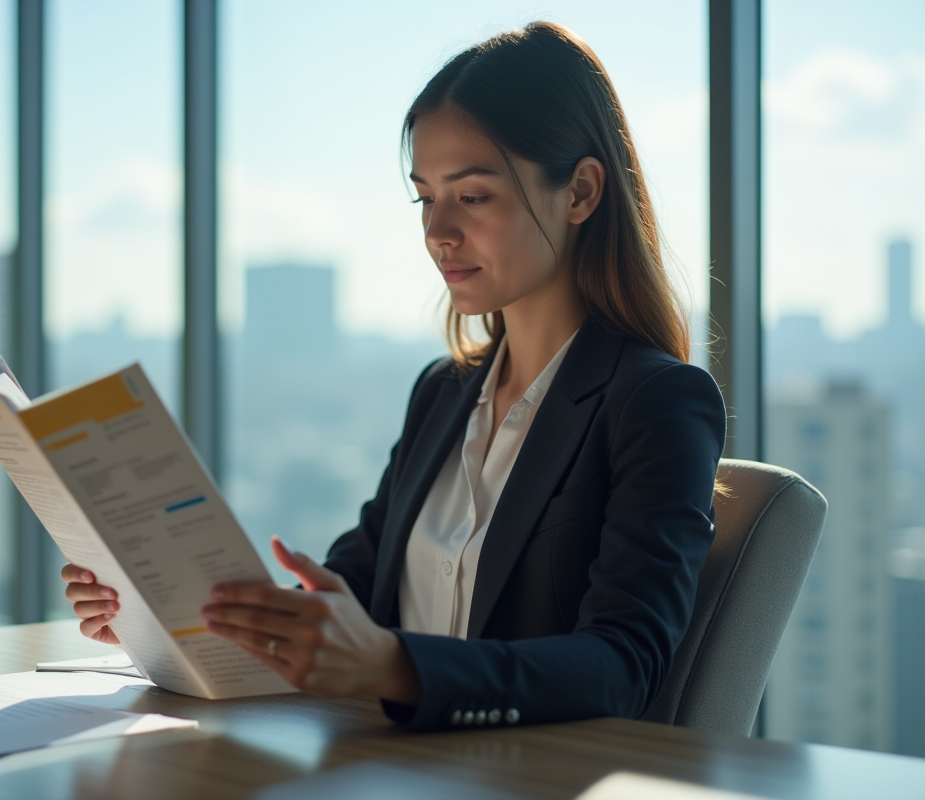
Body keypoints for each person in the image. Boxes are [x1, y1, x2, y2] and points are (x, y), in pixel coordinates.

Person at [62, 22, 726, 732]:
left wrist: (394, 667)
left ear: (581, 192)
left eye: (473, 196)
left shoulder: (657, 402)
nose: (438, 232)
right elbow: (355, 589)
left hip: (526, 776)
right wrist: (172, 617)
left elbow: (624, 664)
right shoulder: (443, 392)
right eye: (425, 198)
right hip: (390, 761)